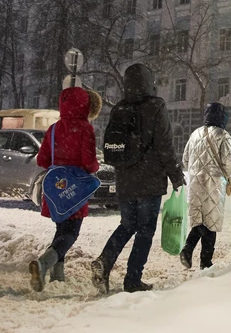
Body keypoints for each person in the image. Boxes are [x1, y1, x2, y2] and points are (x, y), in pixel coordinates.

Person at [91, 63, 184, 294]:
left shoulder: (119, 108)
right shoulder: (156, 106)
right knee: (144, 231)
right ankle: (133, 279)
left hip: (125, 179)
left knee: (127, 224)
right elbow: (165, 145)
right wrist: (176, 176)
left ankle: (105, 260)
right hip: (150, 180)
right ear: (148, 81)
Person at [28, 86, 100, 292]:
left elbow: (42, 160)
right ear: (85, 105)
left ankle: (57, 275)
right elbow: (88, 162)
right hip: (75, 186)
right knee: (71, 232)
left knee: (61, 229)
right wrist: (95, 167)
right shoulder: (85, 128)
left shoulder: (54, 128)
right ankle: (43, 263)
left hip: (55, 186)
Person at [180, 103, 231, 270]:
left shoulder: (195, 133)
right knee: (211, 221)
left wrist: (197, 169)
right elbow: (228, 164)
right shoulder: (224, 136)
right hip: (213, 183)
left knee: (201, 220)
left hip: (195, 182)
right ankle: (197, 255)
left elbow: (185, 160)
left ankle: (197, 256)